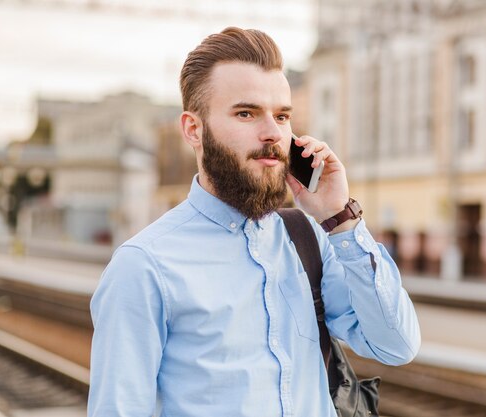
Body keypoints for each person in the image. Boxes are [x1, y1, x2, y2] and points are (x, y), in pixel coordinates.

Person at [88, 27, 420, 417]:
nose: (272, 134)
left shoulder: (309, 240)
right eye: (246, 113)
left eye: (282, 116)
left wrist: (341, 218)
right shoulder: (144, 266)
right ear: (194, 130)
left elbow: (396, 345)